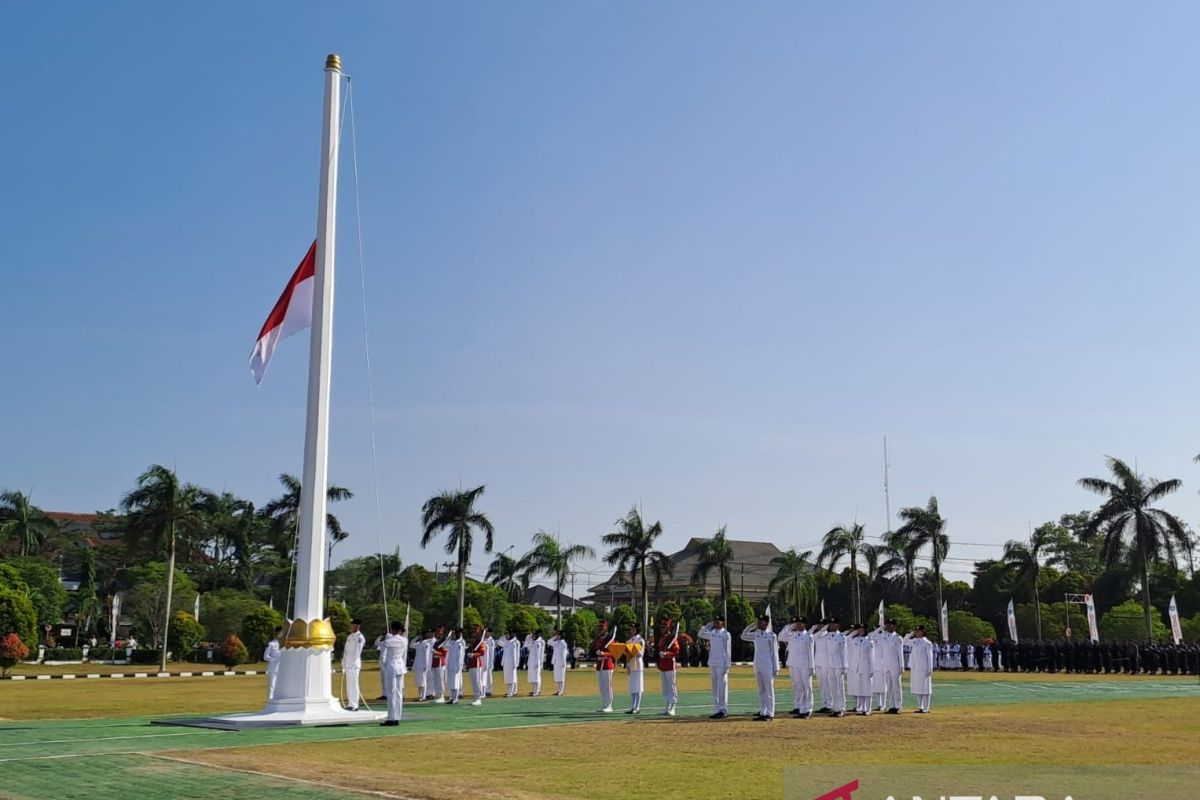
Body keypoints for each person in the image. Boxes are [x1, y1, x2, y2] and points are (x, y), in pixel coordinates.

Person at [740, 614, 779, 721]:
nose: (759, 623)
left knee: (769, 689)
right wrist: (752, 626)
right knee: (761, 690)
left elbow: (774, 653)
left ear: (766, 623)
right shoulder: (756, 634)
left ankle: (770, 713)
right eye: (758, 621)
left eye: (761, 622)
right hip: (758, 664)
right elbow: (743, 636)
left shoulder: (771, 635)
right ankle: (763, 711)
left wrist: (776, 668)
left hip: (768, 665)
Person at [779, 617, 815, 718]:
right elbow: (780, 636)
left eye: (800, 623)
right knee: (799, 687)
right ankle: (802, 709)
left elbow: (810, 652)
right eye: (797, 623)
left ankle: (808, 709)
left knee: (807, 687)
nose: (798, 625)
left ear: (805, 624)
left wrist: (812, 667)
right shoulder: (792, 635)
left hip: (805, 665)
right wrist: (789, 626)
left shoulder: (808, 636)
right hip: (794, 664)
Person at [697, 616, 732, 718]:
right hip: (713, 662)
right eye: (715, 622)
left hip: (722, 663)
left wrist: (727, 664)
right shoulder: (712, 633)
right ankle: (717, 709)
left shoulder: (725, 634)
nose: (716, 624)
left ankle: (723, 709)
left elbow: (728, 650)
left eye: (718, 622)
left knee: (722, 687)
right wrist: (707, 626)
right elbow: (700, 634)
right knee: (715, 687)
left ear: (723, 623)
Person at [378, 621, 408, 725]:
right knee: (398, 693)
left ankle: (391, 718)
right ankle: (397, 717)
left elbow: (379, 643)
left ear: (393, 629)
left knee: (391, 693)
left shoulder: (390, 640)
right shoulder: (404, 640)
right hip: (400, 666)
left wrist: (385, 636)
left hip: (392, 666)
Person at [873, 620, 904, 713]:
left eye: (891, 625)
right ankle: (891, 706)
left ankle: (898, 706)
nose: (889, 627)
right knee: (889, 686)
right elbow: (872, 636)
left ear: (895, 627)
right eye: (888, 625)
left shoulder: (898, 638)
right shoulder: (883, 635)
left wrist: (902, 666)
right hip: (886, 664)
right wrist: (880, 628)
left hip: (895, 664)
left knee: (896, 686)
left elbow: (900, 653)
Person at [846, 623, 875, 715]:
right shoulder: (855, 640)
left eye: (862, 630)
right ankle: (861, 708)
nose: (860, 631)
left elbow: (872, 657)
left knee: (867, 688)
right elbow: (847, 639)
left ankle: (868, 709)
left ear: (866, 630)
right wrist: (854, 632)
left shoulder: (870, 642)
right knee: (859, 688)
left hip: (866, 667)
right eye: (859, 630)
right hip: (856, 668)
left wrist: (872, 669)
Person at [905, 626, 936, 713]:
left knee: (925, 687)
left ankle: (926, 707)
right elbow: (904, 642)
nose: (917, 633)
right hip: (915, 667)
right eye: (916, 631)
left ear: (923, 632)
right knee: (918, 687)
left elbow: (930, 657)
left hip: (924, 667)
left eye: (919, 631)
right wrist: (910, 634)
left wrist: (930, 669)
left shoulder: (927, 643)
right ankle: (920, 707)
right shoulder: (915, 641)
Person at [656, 619, 681, 717]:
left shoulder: (672, 638)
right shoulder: (662, 638)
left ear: (668, 628)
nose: (662, 629)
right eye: (661, 627)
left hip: (670, 664)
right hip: (663, 665)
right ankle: (667, 705)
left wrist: (666, 654)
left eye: (664, 627)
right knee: (665, 687)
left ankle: (673, 707)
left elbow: (676, 652)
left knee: (671, 687)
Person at [592, 621, 616, 713]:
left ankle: (609, 704)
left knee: (607, 686)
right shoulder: (598, 639)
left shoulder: (610, 639)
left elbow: (613, 652)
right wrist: (597, 654)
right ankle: (604, 703)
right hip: (599, 665)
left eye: (602, 629)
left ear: (606, 629)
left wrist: (604, 653)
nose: (600, 630)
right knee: (601, 686)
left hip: (607, 665)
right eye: (599, 629)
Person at [342, 618, 366, 711]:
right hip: (348, 664)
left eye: (352, 625)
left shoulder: (359, 637)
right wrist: (344, 663)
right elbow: (346, 651)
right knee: (349, 684)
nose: (351, 626)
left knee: (354, 684)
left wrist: (353, 664)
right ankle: (350, 703)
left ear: (357, 626)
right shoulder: (350, 636)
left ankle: (355, 704)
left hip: (354, 665)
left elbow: (357, 652)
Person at [623, 624, 646, 714]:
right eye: (631, 629)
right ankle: (632, 706)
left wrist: (633, 651)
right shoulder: (629, 641)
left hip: (638, 664)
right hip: (631, 664)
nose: (632, 630)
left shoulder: (640, 640)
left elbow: (640, 654)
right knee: (632, 687)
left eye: (634, 629)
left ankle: (637, 707)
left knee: (638, 687)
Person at [466, 627, 489, 706]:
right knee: (473, 682)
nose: (473, 633)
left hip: (476, 663)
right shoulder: (473, 642)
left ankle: (478, 698)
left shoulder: (480, 642)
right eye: (473, 632)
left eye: (475, 632)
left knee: (477, 681)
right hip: (471, 663)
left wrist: (474, 654)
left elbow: (482, 652)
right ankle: (475, 697)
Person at [444, 629, 465, 704]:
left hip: (456, 665)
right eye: (452, 634)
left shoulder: (459, 643)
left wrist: (460, 665)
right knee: (451, 682)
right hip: (450, 665)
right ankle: (452, 698)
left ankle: (455, 698)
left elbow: (460, 655)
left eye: (454, 634)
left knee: (456, 682)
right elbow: (444, 645)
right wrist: (448, 636)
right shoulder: (451, 642)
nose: (453, 635)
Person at [410, 630, 431, 701]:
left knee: (423, 681)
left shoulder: (426, 644)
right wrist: (416, 638)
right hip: (417, 665)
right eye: (419, 635)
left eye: (420, 635)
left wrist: (426, 665)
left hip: (423, 665)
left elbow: (427, 655)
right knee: (418, 681)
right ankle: (420, 696)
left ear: (423, 636)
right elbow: (411, 645)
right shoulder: (418, 643)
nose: (420, 636)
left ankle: (423, 696)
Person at [264, 626, 283, 700]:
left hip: (283, 669)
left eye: (281, 633)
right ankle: (270, 700)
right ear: (275, 633)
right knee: (272, 686)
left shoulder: (285, 643)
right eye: (278, 633)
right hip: (273, 668)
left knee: (281, 687)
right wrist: (275, 660)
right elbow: (265, 657)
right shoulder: (271, 644)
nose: (279, 635)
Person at [525, 630, 546, 696]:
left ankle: (537, 691)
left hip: (537, 661)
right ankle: (534, 690)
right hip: (532, 661)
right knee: (533, 677)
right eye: (532, 635)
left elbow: (539, 654)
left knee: (536, 677)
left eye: (534, 635)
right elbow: (526, 645)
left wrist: (539, 663)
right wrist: (529, 636)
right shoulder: (533, 641)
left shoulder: (539, 642)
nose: (532, 636)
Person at [501, 631, 521, 697]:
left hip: (512, 662)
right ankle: (509, 691)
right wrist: (503, 637)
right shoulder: (506, 642)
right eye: (505, 634)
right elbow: (499, 642)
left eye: (507, 634)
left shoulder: (514, 643)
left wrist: (515, 663)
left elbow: (515, 654)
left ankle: (512, 692)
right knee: (507, 677)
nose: (506, 636)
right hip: (506, 663)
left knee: (512, 678)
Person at [549, 630, 569, 695]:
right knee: (557, 677)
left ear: (562, 635)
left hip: (561, 662)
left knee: (561, 677)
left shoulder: (563, 643)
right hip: (556, 661)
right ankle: (558, 690)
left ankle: (561, 691)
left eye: (558, 635)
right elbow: (549, 642)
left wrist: (563, 662)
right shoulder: (556, 642)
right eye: (557, 635)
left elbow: (563, 654)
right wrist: (554, 637)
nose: (557, 636)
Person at [482, 628, 496, 697]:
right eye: (486, 632)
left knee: (489, 676)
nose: (486, 633)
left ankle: (489, 690)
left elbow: (492, 653)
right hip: (483, 660)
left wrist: (491, 662)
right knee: (484, 676)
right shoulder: (483, 639)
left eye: (488, 632)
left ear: (490, 633)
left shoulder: (491, 641)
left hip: (489, 660)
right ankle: (484, 689)